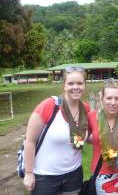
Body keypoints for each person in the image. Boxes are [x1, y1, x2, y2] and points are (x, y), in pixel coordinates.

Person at [23, 66, 90, 195]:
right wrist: (29, 173)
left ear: (84, 85)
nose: (75, 87)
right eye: (71, 83)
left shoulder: (85, 108)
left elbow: (86, 135)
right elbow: (30, 141)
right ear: (64, 86)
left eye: (80, 83)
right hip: (45, 177)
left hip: (74, 174)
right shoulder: (49, 106)